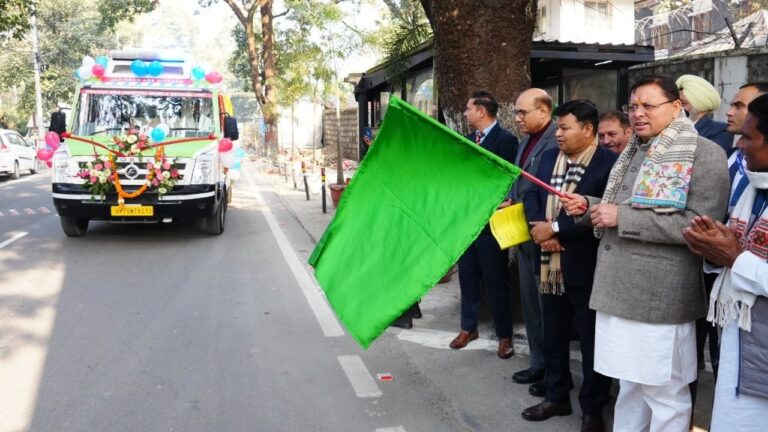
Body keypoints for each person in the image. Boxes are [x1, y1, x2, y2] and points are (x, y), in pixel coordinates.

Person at [561, 75, 730, 432]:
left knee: (665, 394)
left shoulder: (704, 154)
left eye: (647, 106)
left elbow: (701, 227)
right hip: (619, 293)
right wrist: (589, 204)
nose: (637, 114)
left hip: (659, 299)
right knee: (630, 388)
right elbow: (624, 207)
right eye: (633, 106)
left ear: (676, 107)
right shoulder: (635, 149)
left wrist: (622, 217)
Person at [521, 100, 616, 432]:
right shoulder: (548, 157)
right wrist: (541, 230)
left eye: (564, 128)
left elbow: (602, 214)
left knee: (591, 342)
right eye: (557, 127)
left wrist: (557, 229)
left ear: (587, 130)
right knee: (554, 335)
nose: (557, 134)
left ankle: (592, 409)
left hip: (586, 266)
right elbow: (531, 194)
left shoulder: (609, 165)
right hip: (549, 265)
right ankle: (556, 396)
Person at [682, 93, 768, 432]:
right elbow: (736, 255)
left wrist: (734, 257)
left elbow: (740, 258)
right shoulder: (753, 188)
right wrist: (713, 244)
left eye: (749, 137)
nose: (740, 145)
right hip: (742, 338)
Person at [450, 91, 519, 360]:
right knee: (467, 277)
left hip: (493, 224)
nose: (465, 113)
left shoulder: (506, 140)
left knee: (496, 279)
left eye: (468, 109)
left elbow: (509, 177)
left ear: (481, 111)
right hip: (468, 223)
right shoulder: (467, 142)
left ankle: (504, 335)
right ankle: (468, 327)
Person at [509, 88, 559, 392]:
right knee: (531, 305)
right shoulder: (526, 141)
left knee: (548, 308)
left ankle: (551, 369)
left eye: (522, 112)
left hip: (547, 236)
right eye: (516, 112)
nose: (517, 119)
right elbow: (520, 181)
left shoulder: (558, 139)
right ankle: (538, 362)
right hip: (523, 235)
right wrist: (510, 200)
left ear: (543, 111)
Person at [676, 74, 733, 156]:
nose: (678, 108)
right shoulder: (670, 128)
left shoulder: (720, 130)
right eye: (676, 104)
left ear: (699, 104)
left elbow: (711, 160)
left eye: (683, 103)